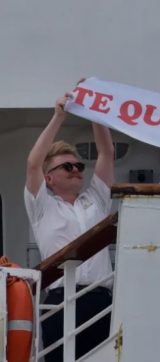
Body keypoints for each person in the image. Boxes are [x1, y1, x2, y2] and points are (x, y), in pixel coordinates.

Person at [24, 92, 115, 360]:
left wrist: (95, 112)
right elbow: (32, 164)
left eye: (78, 165)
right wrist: (59, 116)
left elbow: (107, 153)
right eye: (67, 166)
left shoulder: (96, 200)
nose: (76, 169)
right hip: (59, 302)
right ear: (49, 178)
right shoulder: (42, 207)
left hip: (100, 299)